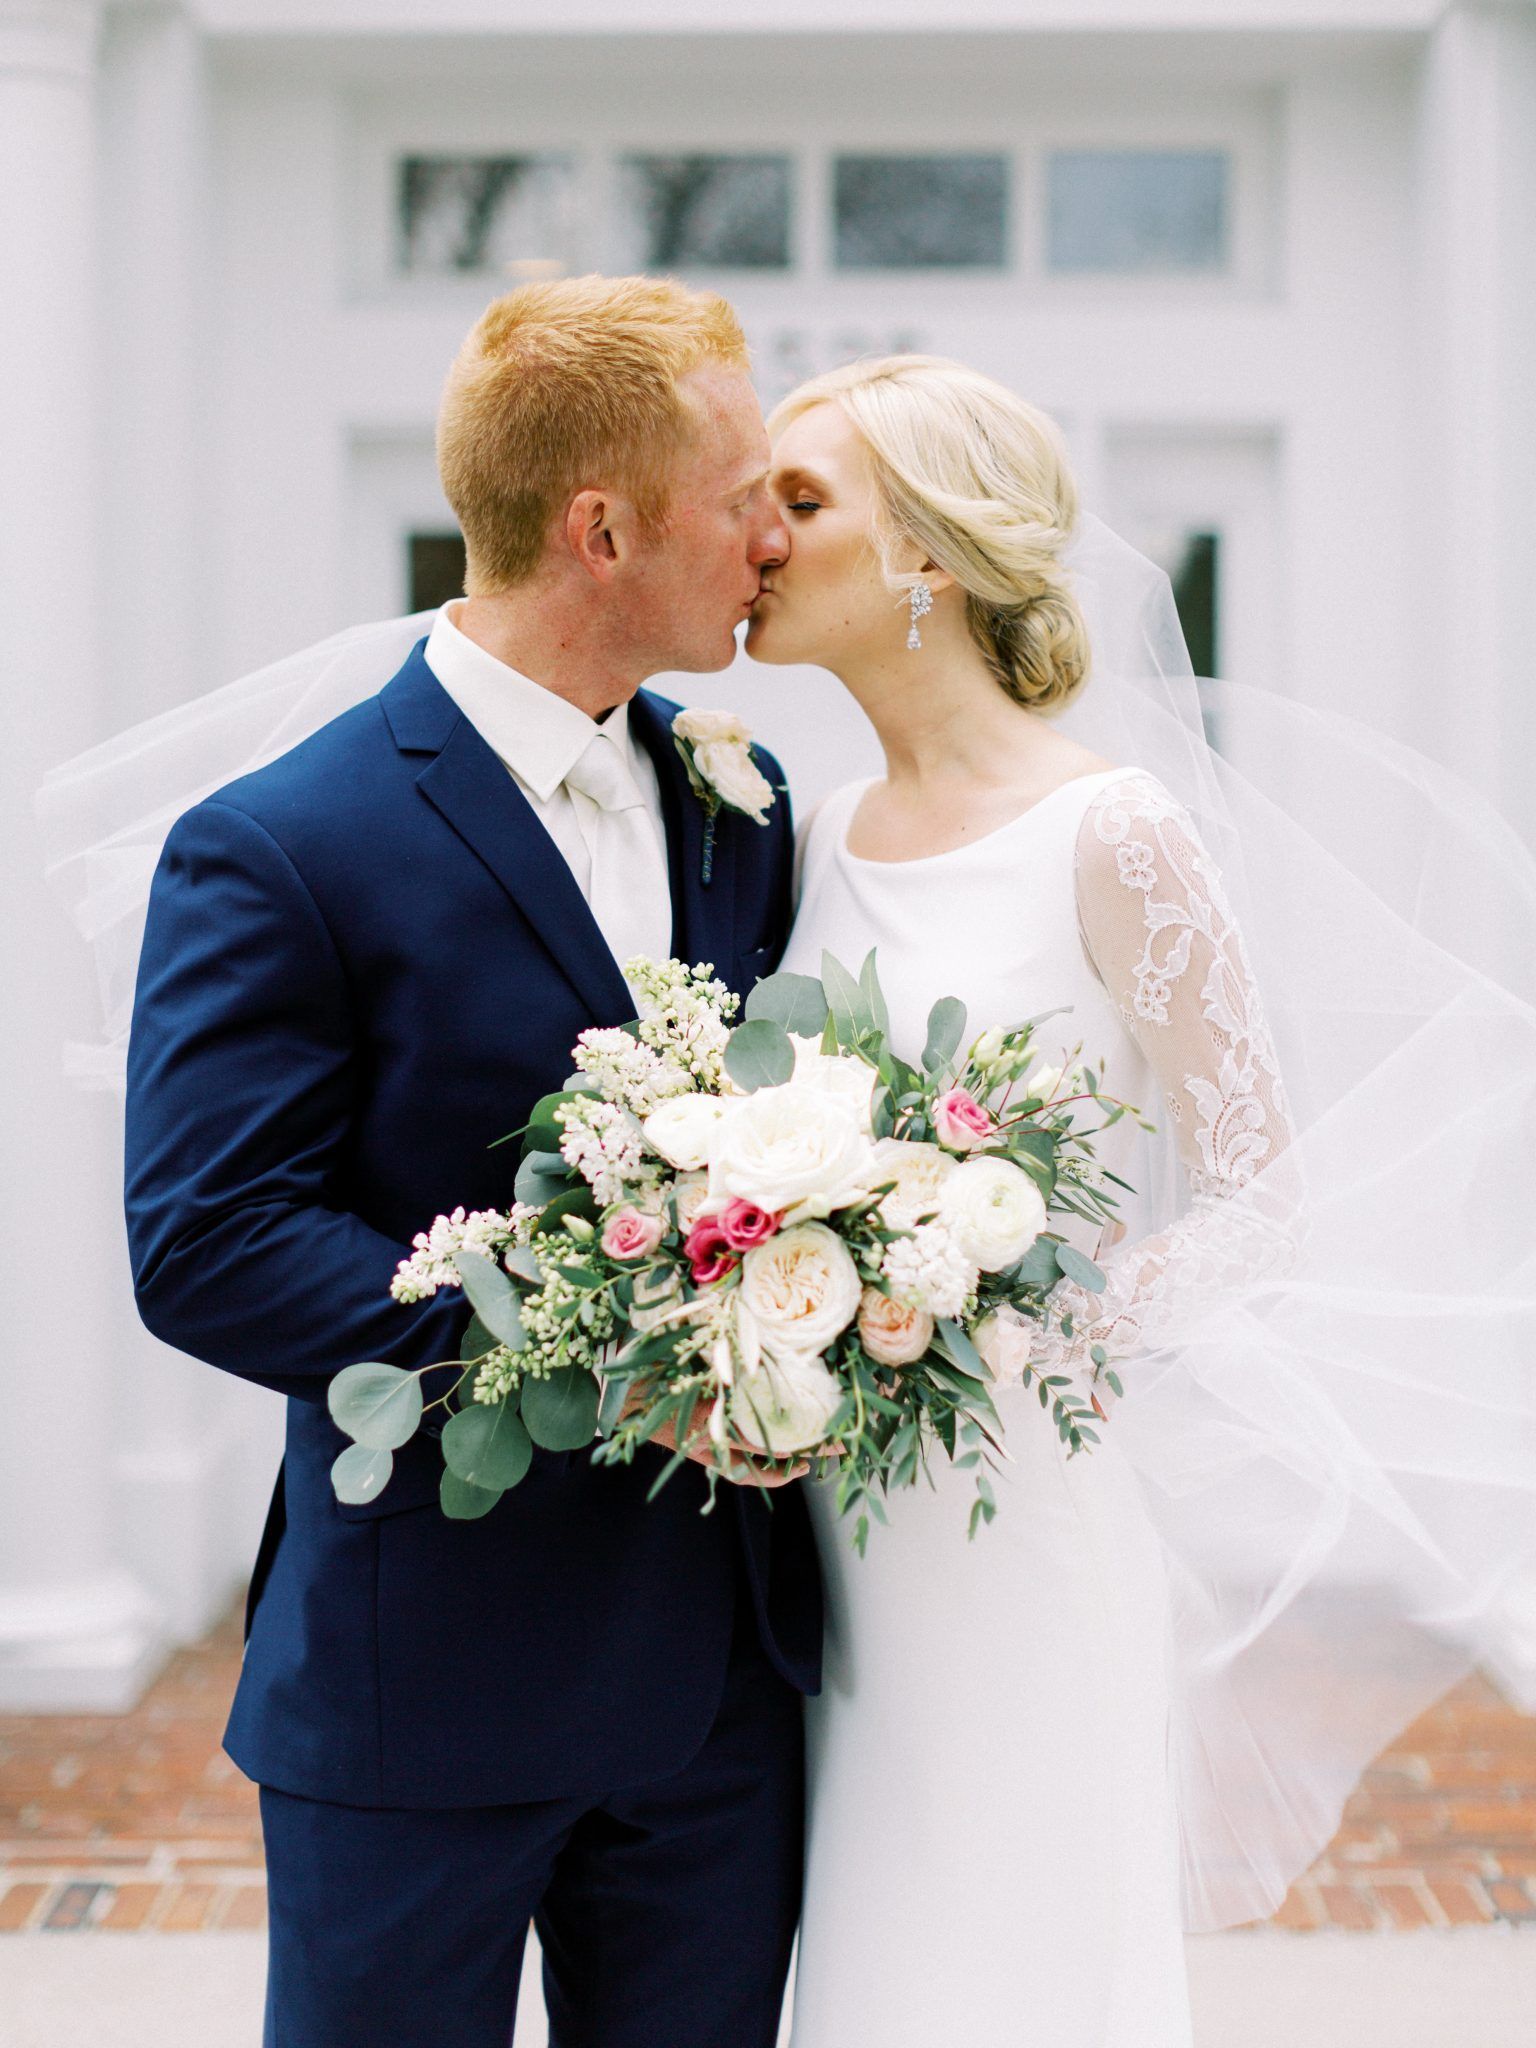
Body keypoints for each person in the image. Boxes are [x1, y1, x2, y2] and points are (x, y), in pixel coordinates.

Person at [747, 355, 1536, 2045]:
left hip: (1026, 1502)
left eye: (802, 502)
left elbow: (1262, 1190)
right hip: (836, 1530)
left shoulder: (1114, 830)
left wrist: (1032, 1324)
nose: (756, 535)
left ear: (929, 557)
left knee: (1027, 1943)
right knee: (876, 1946)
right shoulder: (803, 838)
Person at [120, 275, 821, 2048]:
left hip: (714, 1694)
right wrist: (599, 1345)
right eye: (741, 491)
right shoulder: (281, 844)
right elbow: (211, 1240)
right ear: (602, 528)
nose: (772, 530)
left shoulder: (743, 806)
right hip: (416, 1691)